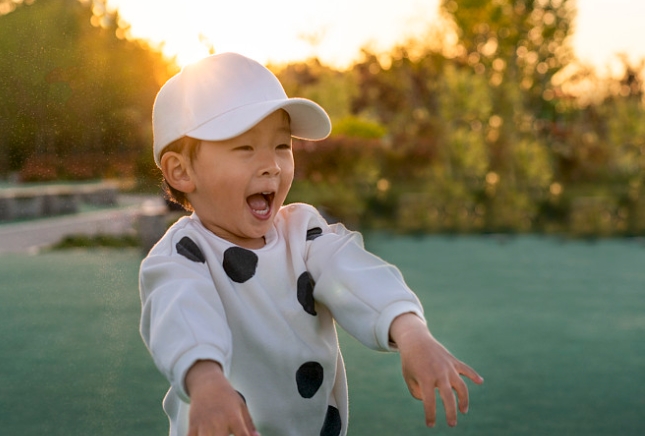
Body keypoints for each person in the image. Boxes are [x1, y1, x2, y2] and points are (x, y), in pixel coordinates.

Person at [139, 52, 483, 436]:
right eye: (245, 148)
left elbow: (352, 272)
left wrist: (410, 332)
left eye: (282, 146)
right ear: (181, 171)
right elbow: (183, 312)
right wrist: (205, 382)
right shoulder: (181, 257)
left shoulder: (302, 232)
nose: (271, 164)